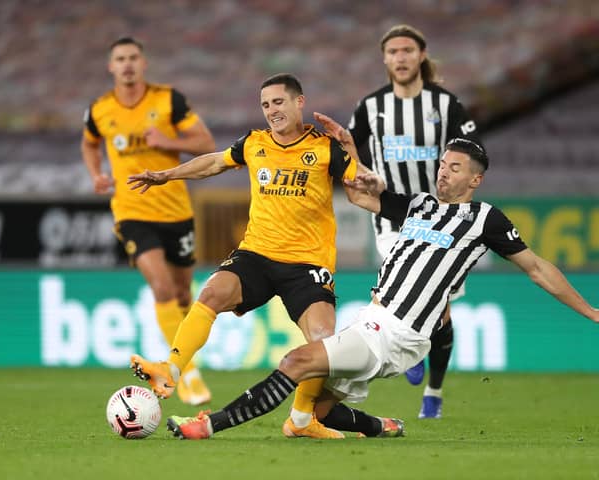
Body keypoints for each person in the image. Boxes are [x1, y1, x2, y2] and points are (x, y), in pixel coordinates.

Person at [164, 137, 599, 440]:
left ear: (475, 180)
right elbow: (359, 197)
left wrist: (593, 313)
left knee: (297, 361)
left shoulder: (485, 219)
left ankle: (209, 424)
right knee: (318, 411)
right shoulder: (419, 204)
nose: (443, 174)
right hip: (371, 319)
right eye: (443, 165)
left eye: (455, 169)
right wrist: (348, 151)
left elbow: (539, 268)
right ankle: (380, 426)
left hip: (401, 332)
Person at [127, 73, 375, 439]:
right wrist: (167, 175)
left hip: (307, 263)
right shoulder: (254, 143)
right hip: (256, 254)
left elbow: (363, 185)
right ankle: (171, 369)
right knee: (211, 292)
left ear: (298, 102)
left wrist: (352, 150)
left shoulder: (325, 149)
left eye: (278, 102)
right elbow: (214, 162)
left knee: (323, 340)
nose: (271, 111)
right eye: (265, 105)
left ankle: (303, 420)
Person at [333, 24, 482, 418]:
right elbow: (349, 158)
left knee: (441, 311)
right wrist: (367, 175)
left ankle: (433, 389)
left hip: (443, 217)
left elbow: (473, 154)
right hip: (393, 218)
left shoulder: (446, 105)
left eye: (407, 50)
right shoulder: (370, 107)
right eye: (393, 51)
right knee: (393, 299)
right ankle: (413, 351)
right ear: (384, 59)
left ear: (421, 56)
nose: (400, 57)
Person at [81, 37, 215, 406]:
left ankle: (183, 358)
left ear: (144, 63)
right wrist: (96, 174)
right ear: (111, 66)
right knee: (162, 289)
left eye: (133, 58)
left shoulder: (168, 100)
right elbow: (89, 143)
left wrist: (169, 138)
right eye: (120, 59)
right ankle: (185, 376)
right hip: (131, 211)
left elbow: (206, 143)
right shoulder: (100, 109)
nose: (127, 64)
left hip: (176, 211)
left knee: (184, 294)